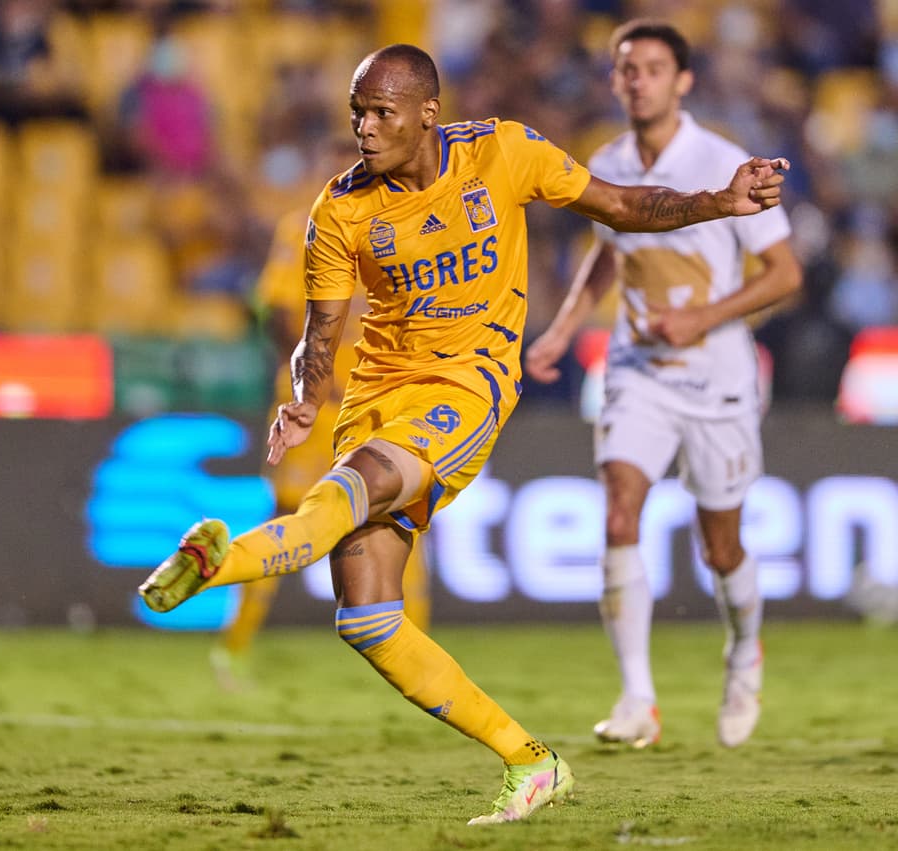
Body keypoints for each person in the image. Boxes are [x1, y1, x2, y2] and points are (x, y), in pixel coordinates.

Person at [139, 43, 788, 825]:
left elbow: (620, 206)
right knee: (367, 616)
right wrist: (307, 400)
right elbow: (319, 332)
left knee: (347, 494)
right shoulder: (339, 210)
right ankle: (532, 761)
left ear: (427, 114)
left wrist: (720, 201)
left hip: (465, 389)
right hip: (374, 398)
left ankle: (217, 560)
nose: (365, 128)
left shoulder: (502, 153)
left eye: (381, 113)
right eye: (357, 113)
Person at [524, 20, 803, 751]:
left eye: (653, 68)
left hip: (716, 378)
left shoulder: (723, 161)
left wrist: (703, 317)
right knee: (620, 513)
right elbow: (608, 249)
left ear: (683, 81)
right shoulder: (607, 160)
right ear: (614, 81)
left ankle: (743, 653)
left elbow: (785, 274)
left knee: (721, 549)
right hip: (637, 368)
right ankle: (637, 699)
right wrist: (564, 327)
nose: (638, 80)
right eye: (627, 68)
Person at [210, 137, 431, 691]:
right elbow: (281, 315)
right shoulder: (303, 229)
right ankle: (234, 644)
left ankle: (416, 657)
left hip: (381, 402)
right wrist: (315, 380)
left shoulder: (405, 228)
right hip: (321, 405)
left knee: (407, 516)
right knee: (289, 515)